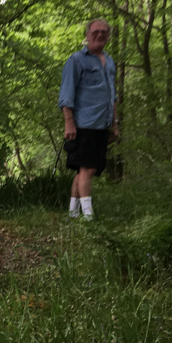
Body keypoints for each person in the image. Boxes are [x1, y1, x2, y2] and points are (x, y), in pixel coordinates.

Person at [57, 18, 120, 219]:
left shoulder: (109, 61)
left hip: (102, 124)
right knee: (88, 168)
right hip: (83, 123)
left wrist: (115, 124)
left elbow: (113, 96)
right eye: (96, 32)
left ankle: (73, 213)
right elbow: (66, 94)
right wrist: (69, 122)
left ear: (108, 36)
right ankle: (88, 217)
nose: (100, 35)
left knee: (82, 169)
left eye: (104, 32)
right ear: (87, 35)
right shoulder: (76, 60)